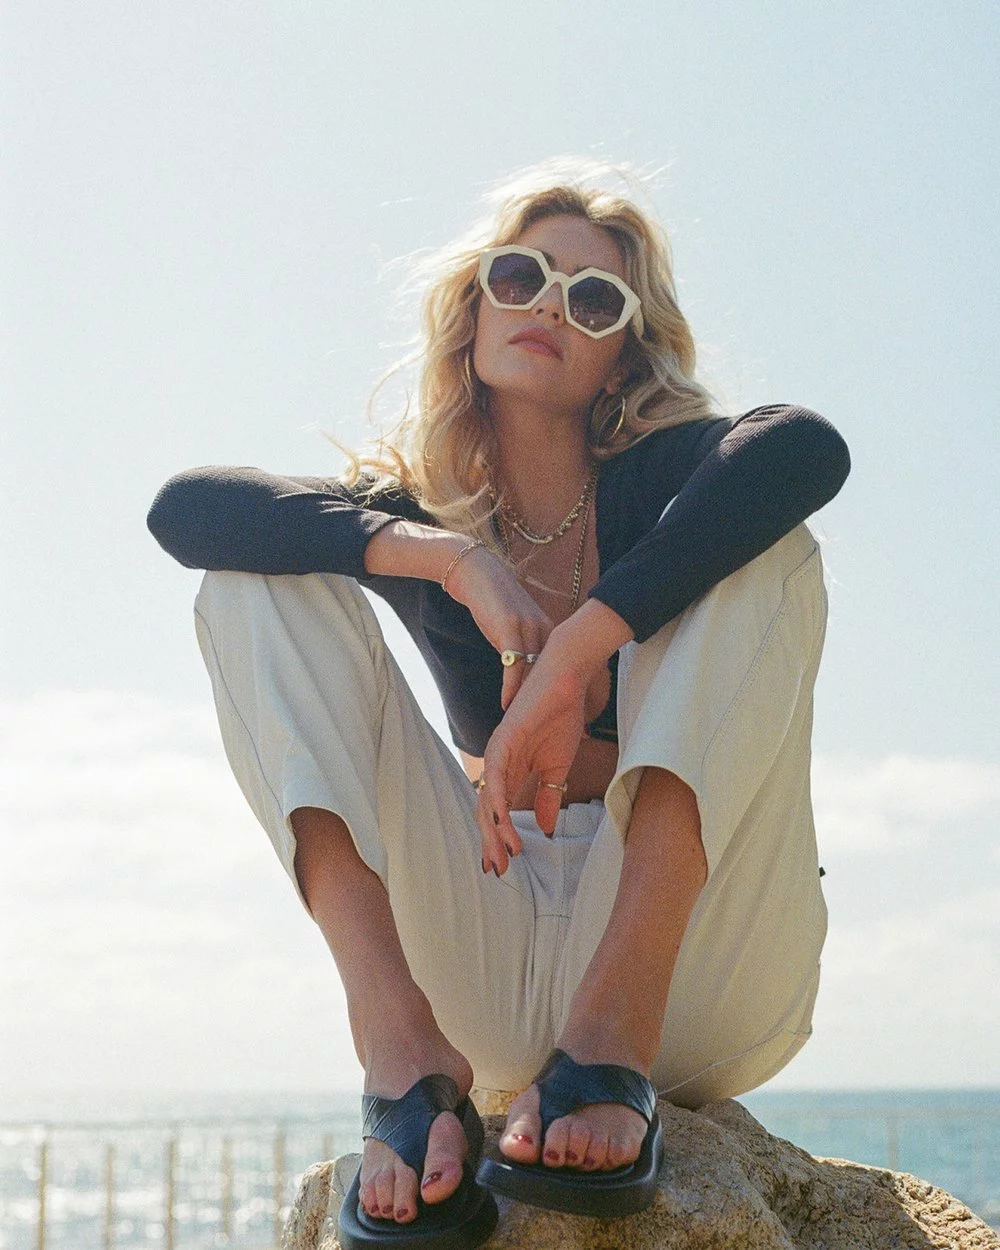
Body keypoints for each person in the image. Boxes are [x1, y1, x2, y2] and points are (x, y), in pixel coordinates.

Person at [148, 159, 850, 1248]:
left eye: (593, 298)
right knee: (251, 581)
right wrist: (448, 556)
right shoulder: (419, 512)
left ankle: (611, 1036)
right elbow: (186, 511)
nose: (549, 307)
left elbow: (805, 445)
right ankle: (401, 1054)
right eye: (521, 276)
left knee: (765, 546)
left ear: (624, 353)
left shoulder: (671, 473)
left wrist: (577, 650)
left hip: (695, 970)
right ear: (473, 304)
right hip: (493, 940)